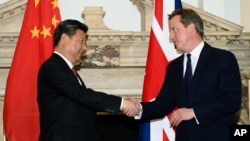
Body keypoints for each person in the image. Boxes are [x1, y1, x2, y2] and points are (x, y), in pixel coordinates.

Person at [130, 8, 242, 141]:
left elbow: (231, 101)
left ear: (191, 28)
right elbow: (162, 104)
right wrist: (137, 108)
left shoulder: (222, 59)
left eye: (174, 29)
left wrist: (194, 112)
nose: (171, 37)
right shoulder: (174, 67)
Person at [37, 19, 140, 141]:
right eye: (82, 41)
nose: (85, 48)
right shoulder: (52, 66)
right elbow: (81, 94)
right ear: (64, 38)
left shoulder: (67, 70)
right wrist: (121, 103)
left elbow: (84, 102)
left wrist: (120, 104)